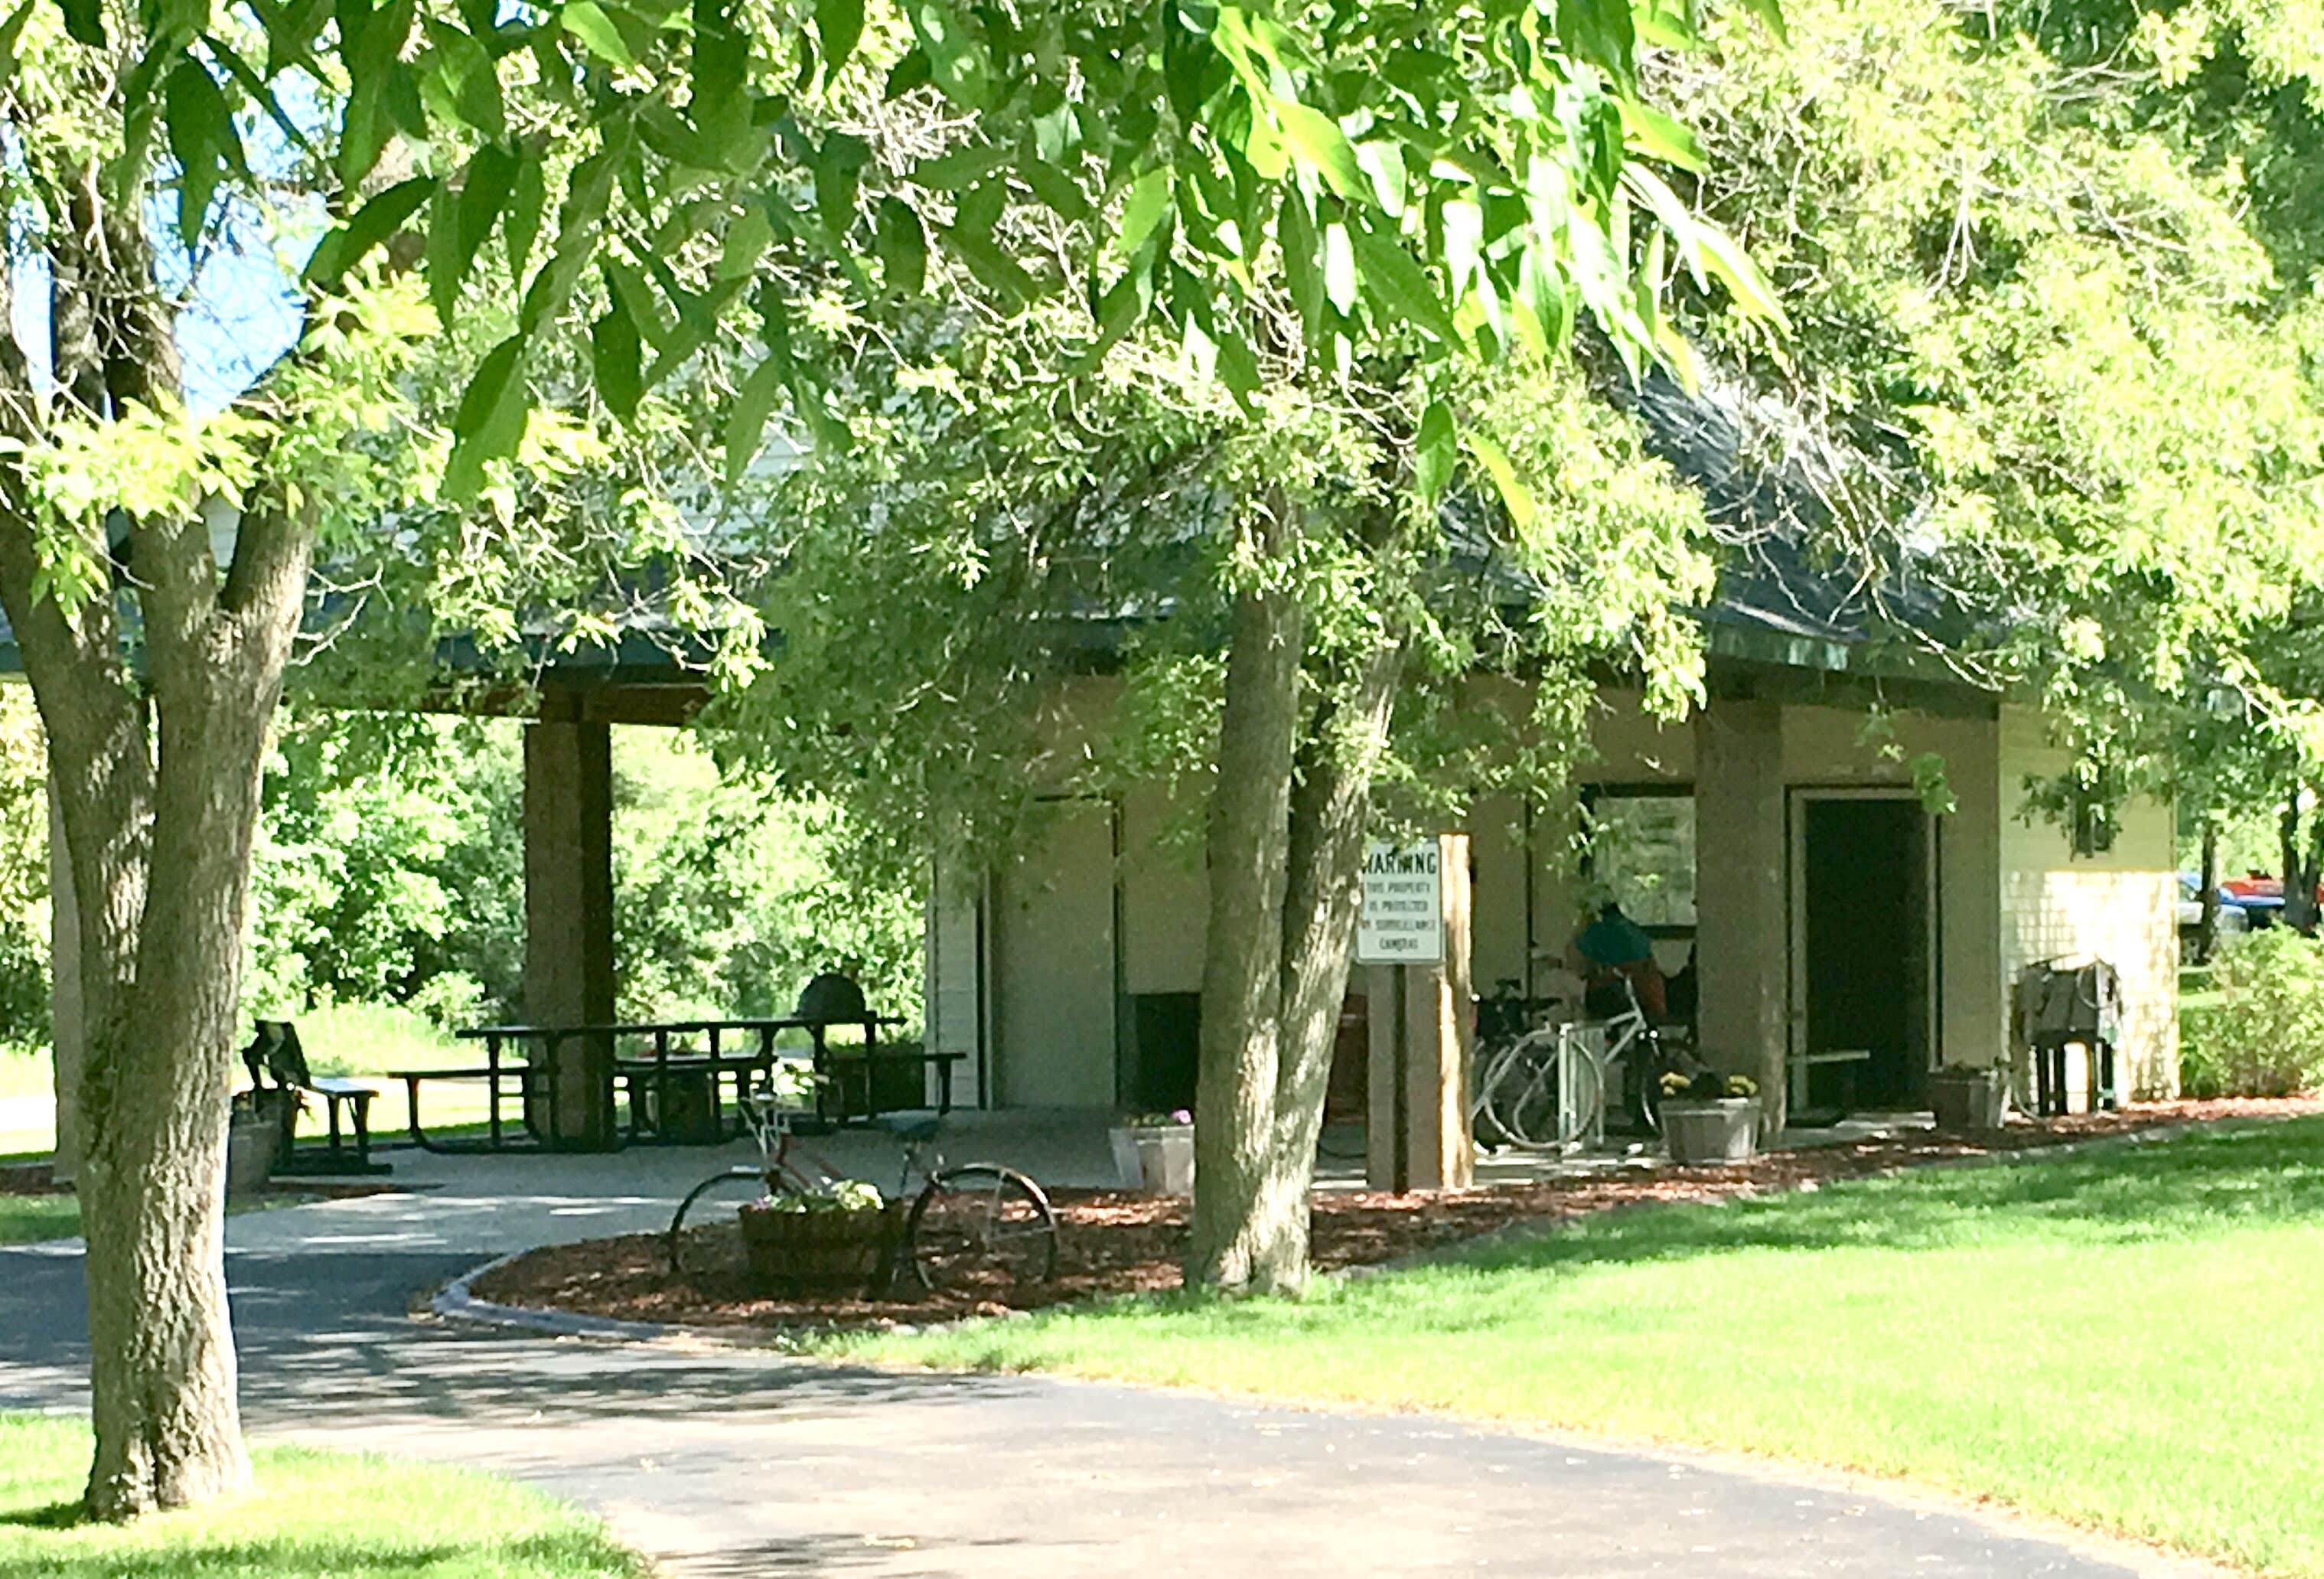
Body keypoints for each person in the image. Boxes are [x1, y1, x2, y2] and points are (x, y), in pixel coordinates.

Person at [1571, 902, 1667, 1023]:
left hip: (1615, 991)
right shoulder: (1634, 929)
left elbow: (1580, 962)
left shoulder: (1597, 931)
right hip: (1645, 992)